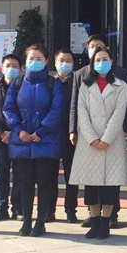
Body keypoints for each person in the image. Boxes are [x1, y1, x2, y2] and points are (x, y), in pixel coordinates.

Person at [69, 34, 127, 229]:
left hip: (111, 141)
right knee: (90, 184)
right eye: (97, 60)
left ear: (111, 61)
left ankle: (106, 222)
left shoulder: (120, 85)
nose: (101, 63)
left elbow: (119, 113)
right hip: (90, 142)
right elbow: (81, 112)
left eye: (105, 59)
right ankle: (94, 220)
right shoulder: (85, 85)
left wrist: (106, 138)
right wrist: (92, 138)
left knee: (110, 185)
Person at [3, 44, 65, 237]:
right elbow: (8, 108)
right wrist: (19, 130)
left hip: (45, 141)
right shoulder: (17, 83)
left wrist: (42, 130)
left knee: (44, 182)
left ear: (46, 61)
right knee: (25, 183)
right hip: (22, 141)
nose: (35, 62)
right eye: (31, 58)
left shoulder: (53, 84)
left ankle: (40, 221)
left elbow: (57, 110)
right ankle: (27, 221)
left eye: (39, 59)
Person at [0, 54, 24, 222]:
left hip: (20, 138)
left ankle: (18, 208)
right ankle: (1, 207)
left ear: (20, 70)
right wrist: (1, 133)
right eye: (8, 65)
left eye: (15, 66)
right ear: (2, 68)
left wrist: (15, 133)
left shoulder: (25, 88)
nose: (11, 69)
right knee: (0, 176)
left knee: (20, 175)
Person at [48, 47, 79, 223]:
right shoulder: (49, 83)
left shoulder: (78, 82)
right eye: (61, 61)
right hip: (51, 135)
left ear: (73, 63)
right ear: (55, 63)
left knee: (71, 176)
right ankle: (49, 210)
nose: (64, 64)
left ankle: (70, 210)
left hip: (71, 135)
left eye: (68, 61)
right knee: (50, 175)